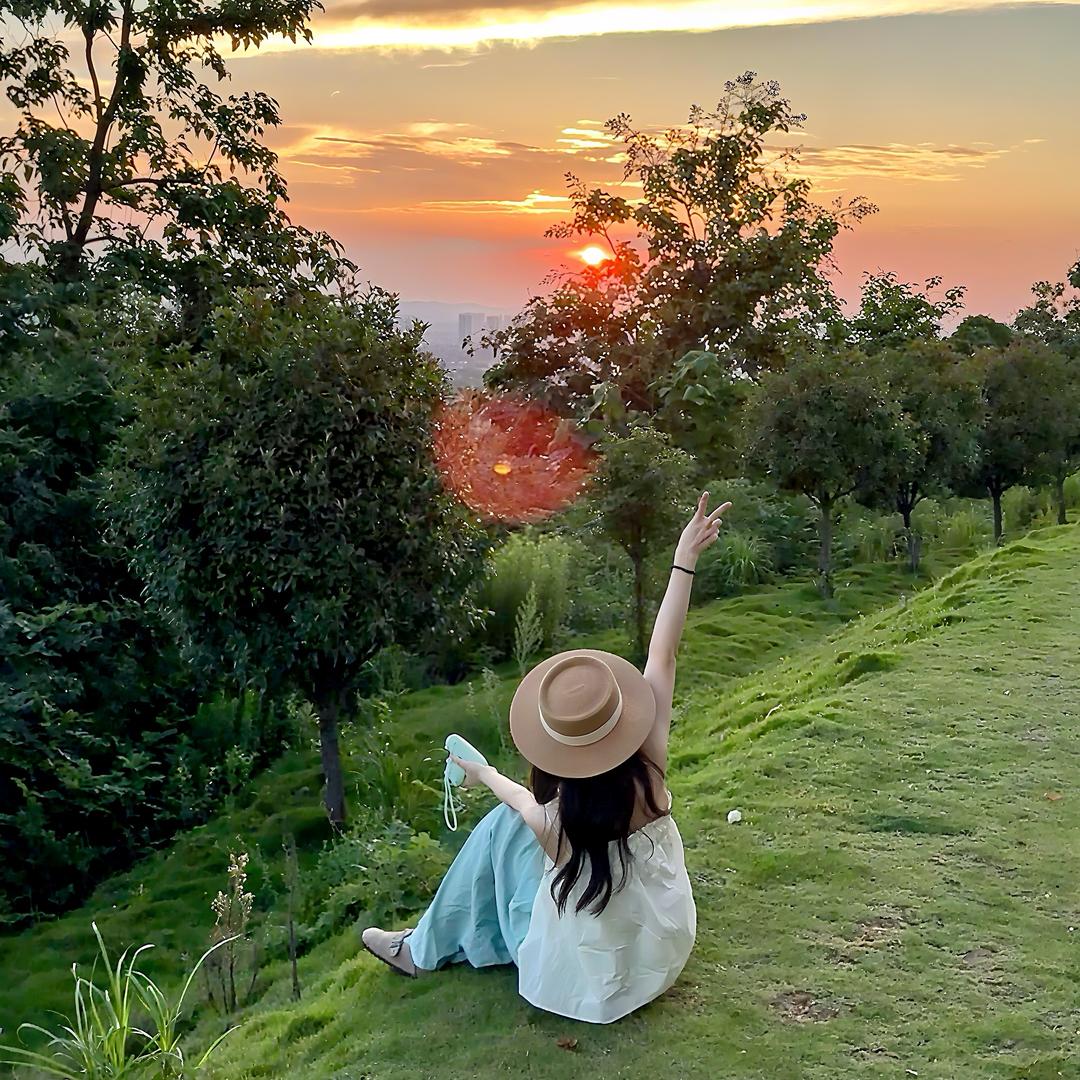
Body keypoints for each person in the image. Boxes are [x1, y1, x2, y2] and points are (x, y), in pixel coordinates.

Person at [362, 491, 731, 1023]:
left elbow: (516, 796)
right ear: (619, 722)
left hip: (590, 985)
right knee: (509, 822)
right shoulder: (649, 764)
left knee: (499, 826)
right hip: (660, 952)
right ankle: (429, 939)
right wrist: (684, 559)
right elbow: (663, 653)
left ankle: (421, 948)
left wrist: (480, 772)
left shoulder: (556, 821)